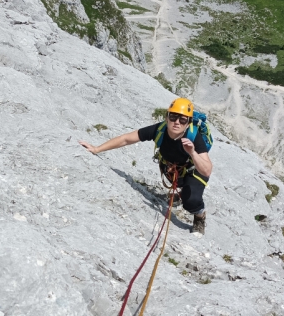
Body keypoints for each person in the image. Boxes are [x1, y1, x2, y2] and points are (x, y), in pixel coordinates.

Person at [79, 98, 212, 234]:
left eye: (182, 120)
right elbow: (126, 139)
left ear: (188, 123)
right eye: (173, 117)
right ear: (167, 117)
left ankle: (200, 216)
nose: (176, 122)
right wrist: (97, 149)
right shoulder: (159, 130)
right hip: (173, 169)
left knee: (191, 201)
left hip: (195, 169)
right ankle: (182, 192)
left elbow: (206, 170)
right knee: (182, 188)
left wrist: (193, 153)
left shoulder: (194, 137)